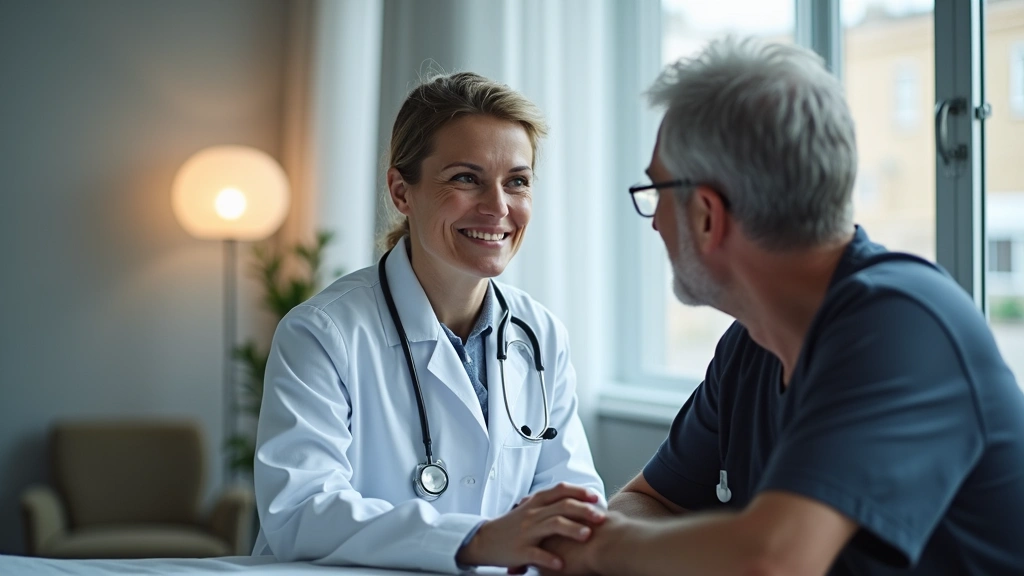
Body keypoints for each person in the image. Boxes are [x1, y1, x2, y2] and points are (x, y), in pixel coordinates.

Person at [541, 37, 1024, 575]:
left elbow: (772, 561)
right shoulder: (752, 342)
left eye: (657, 192)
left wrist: (601, 548)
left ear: (706, 215)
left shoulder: (904, 323)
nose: (654, 221)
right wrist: (617, 537)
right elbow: (649, 502)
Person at [251, 72, 606, 574]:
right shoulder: (323, 333)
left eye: (517, 182)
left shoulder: (540, 334)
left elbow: (571, 496)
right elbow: (300, 510)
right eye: (466, 178)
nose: (498, 207)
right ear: (401, 191)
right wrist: (476, 540)